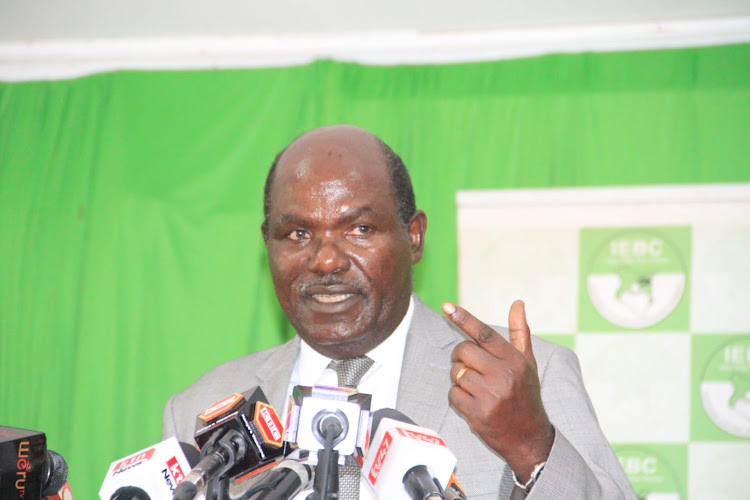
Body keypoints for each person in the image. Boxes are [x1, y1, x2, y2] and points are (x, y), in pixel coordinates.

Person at [163, 124, 636, 499]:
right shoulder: (200, 411)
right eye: (298, 234)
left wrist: (533, 448)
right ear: (267, 243)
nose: (326, 260)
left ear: (414, 236)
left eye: (361, 228)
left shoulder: (522, 379)